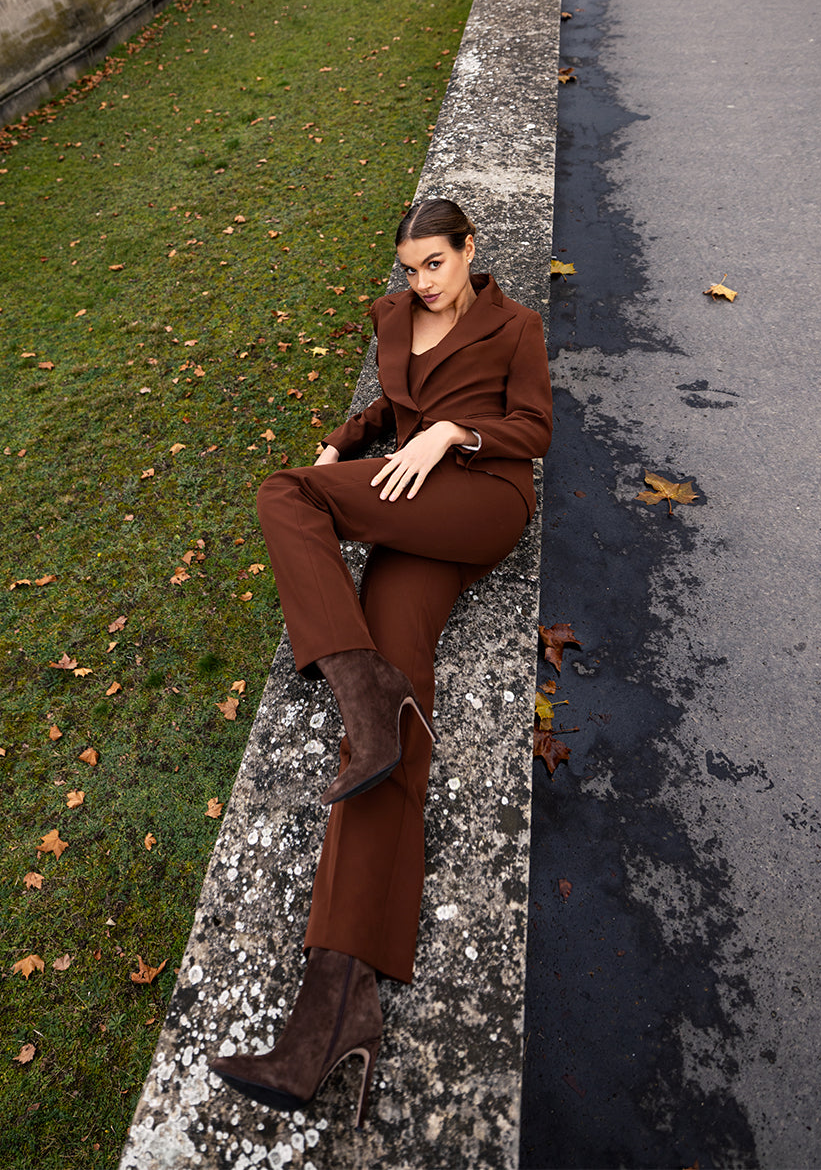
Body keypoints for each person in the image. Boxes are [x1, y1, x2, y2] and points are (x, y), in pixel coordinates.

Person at [210, 197, 553, 1126]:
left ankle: (358, 691)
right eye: (409, 267)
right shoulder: (394, 316)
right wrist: (352, 439)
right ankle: (334, 1008)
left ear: (470, 252)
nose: (420, 282)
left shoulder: (514, 326)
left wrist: (452, 434)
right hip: (410, 496)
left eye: (435, 264)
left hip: (479, 499)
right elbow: (393, 399)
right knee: (390, 694)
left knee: (286, 495)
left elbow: (534, 428)